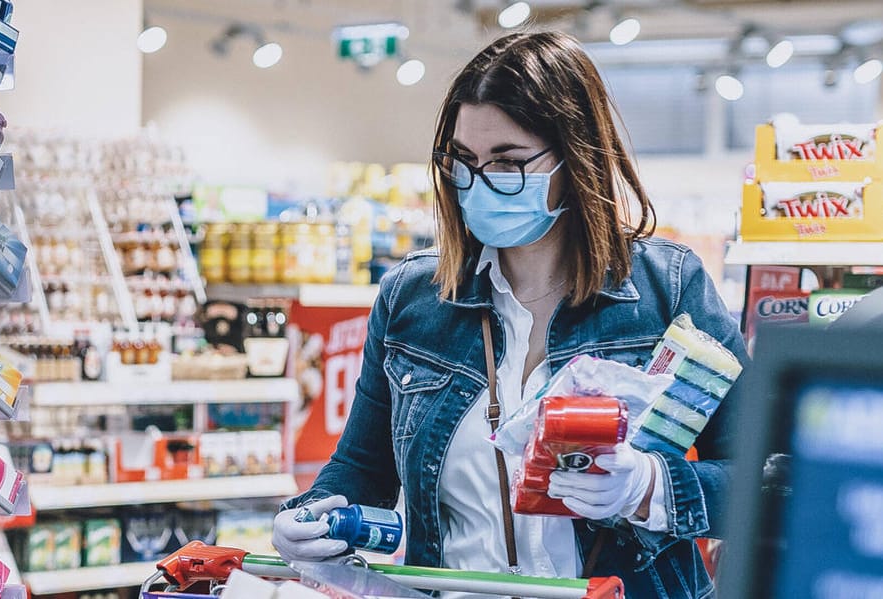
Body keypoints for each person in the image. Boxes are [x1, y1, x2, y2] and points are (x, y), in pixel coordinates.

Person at [273, 30, 749, 598]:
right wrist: (307, 520)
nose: (478, 183)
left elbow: (774, 478)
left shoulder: (666, 290)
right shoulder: (412, 300)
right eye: (464, 161)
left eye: (508, 162)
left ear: (576, 158)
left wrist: (650, 487)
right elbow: (360, 468)